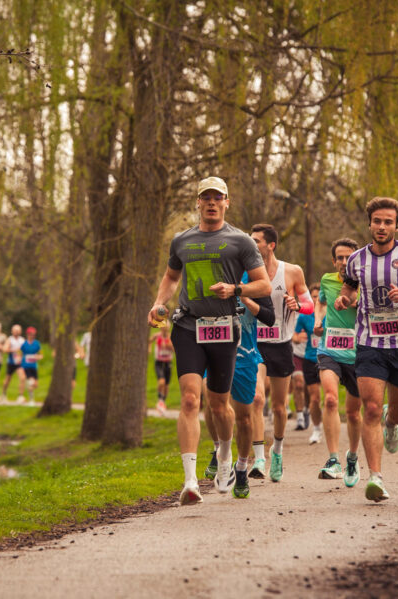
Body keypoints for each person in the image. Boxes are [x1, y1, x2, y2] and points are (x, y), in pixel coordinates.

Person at [147, 176, 271, 505]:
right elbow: (172, 276)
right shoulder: (181, 241)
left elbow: (265, 285)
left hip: (224, 328)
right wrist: (160, 302)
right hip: (188, 326)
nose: (212, 203)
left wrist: (236, 290)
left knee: (219, 406)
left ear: (227, 202)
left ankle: (226, 457)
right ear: (198, 203)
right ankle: (189, 482)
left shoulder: (241, 241)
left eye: (218, 197)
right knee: (190, 400)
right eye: (206, 198)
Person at [335, 198, 398, 502]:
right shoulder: (356, 260)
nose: (381, 227)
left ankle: (393, 424)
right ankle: (375, 478)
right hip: (369, 343)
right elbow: (349, 287)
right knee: (370, 408)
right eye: (377, 221)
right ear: (369, 224)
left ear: (397, 226)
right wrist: (345, 299)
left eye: (388, 222)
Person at [201, 271, 275, 499]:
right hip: (213, 349)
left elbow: (270, 318)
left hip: (244, 357)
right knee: (212, 404)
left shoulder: (255, 279)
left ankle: (242, 467)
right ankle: (218, 451)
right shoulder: (209, 272)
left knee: (244, 417)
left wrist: (244, 297)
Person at [249, 224, 313, 482]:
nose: (252, 245)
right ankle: (259, 458)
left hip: (282, 344)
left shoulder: (293, 271)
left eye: (256, 241)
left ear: (271, 245)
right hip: (256, 344)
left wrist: (297, 304)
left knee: (278, 406)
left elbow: (309, 305)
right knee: (256, 399)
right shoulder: (248, 272)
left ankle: (276, 451)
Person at [313, 237, 363, 485]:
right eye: (340, 258)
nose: (344, 262)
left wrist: (354, 301)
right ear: (334, 261)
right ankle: (333, 459)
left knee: (353, 414)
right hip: (329, 348)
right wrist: (318, 321)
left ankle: (352, 457)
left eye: (349, 257)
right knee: (331, 399)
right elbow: (320, 303)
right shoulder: (326, 279)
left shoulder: (366, 282)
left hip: (358, 354)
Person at [291, 283, 322, 433]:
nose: (316, 299)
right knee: (298, 384)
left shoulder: (329, 313)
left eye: (319, 296)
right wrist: (297, 338)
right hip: (299, 354)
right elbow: (293, 334)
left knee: (311, 392)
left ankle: (310, 410)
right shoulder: (302, 314)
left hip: (319, 356)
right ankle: (300, 417)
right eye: (313, 297)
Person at [149, 326, 175, 414]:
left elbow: (175, 350)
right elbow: (150, 339)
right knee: (161, 382)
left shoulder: (171, 337)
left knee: (166, 385)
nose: (164, 331)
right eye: (163, 329)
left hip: (168, 362)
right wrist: (149, 348)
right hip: (159, 362)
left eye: (166, 329)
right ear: (161, 329)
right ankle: (160, 400)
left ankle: (162, 401)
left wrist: (169, 346)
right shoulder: (157, 335)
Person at [17, 326, 42, 404]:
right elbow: (19, 353)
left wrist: (38, 357)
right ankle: (31, 399)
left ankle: (27, 397)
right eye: (30, 334)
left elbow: (41, 355)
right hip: (26, 366)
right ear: (27, 334)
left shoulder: (37, 344)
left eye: (33, 334)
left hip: (34, 366)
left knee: (35, 384)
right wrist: (19, 359)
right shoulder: (24, 344)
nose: (32, 335)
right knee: (30, 381)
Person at [1, 324, 25, 399]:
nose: (17, 332)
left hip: (19, 362)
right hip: (11, 362)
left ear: (20, 331)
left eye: (18, 330)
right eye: (15, 330)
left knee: (22, 378)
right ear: (12, 331)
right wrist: (14, 350)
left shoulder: (22, 340)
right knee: (7, 379)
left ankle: (20, 396)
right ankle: (4, 393)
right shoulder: (10, 339)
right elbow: (4, 350)